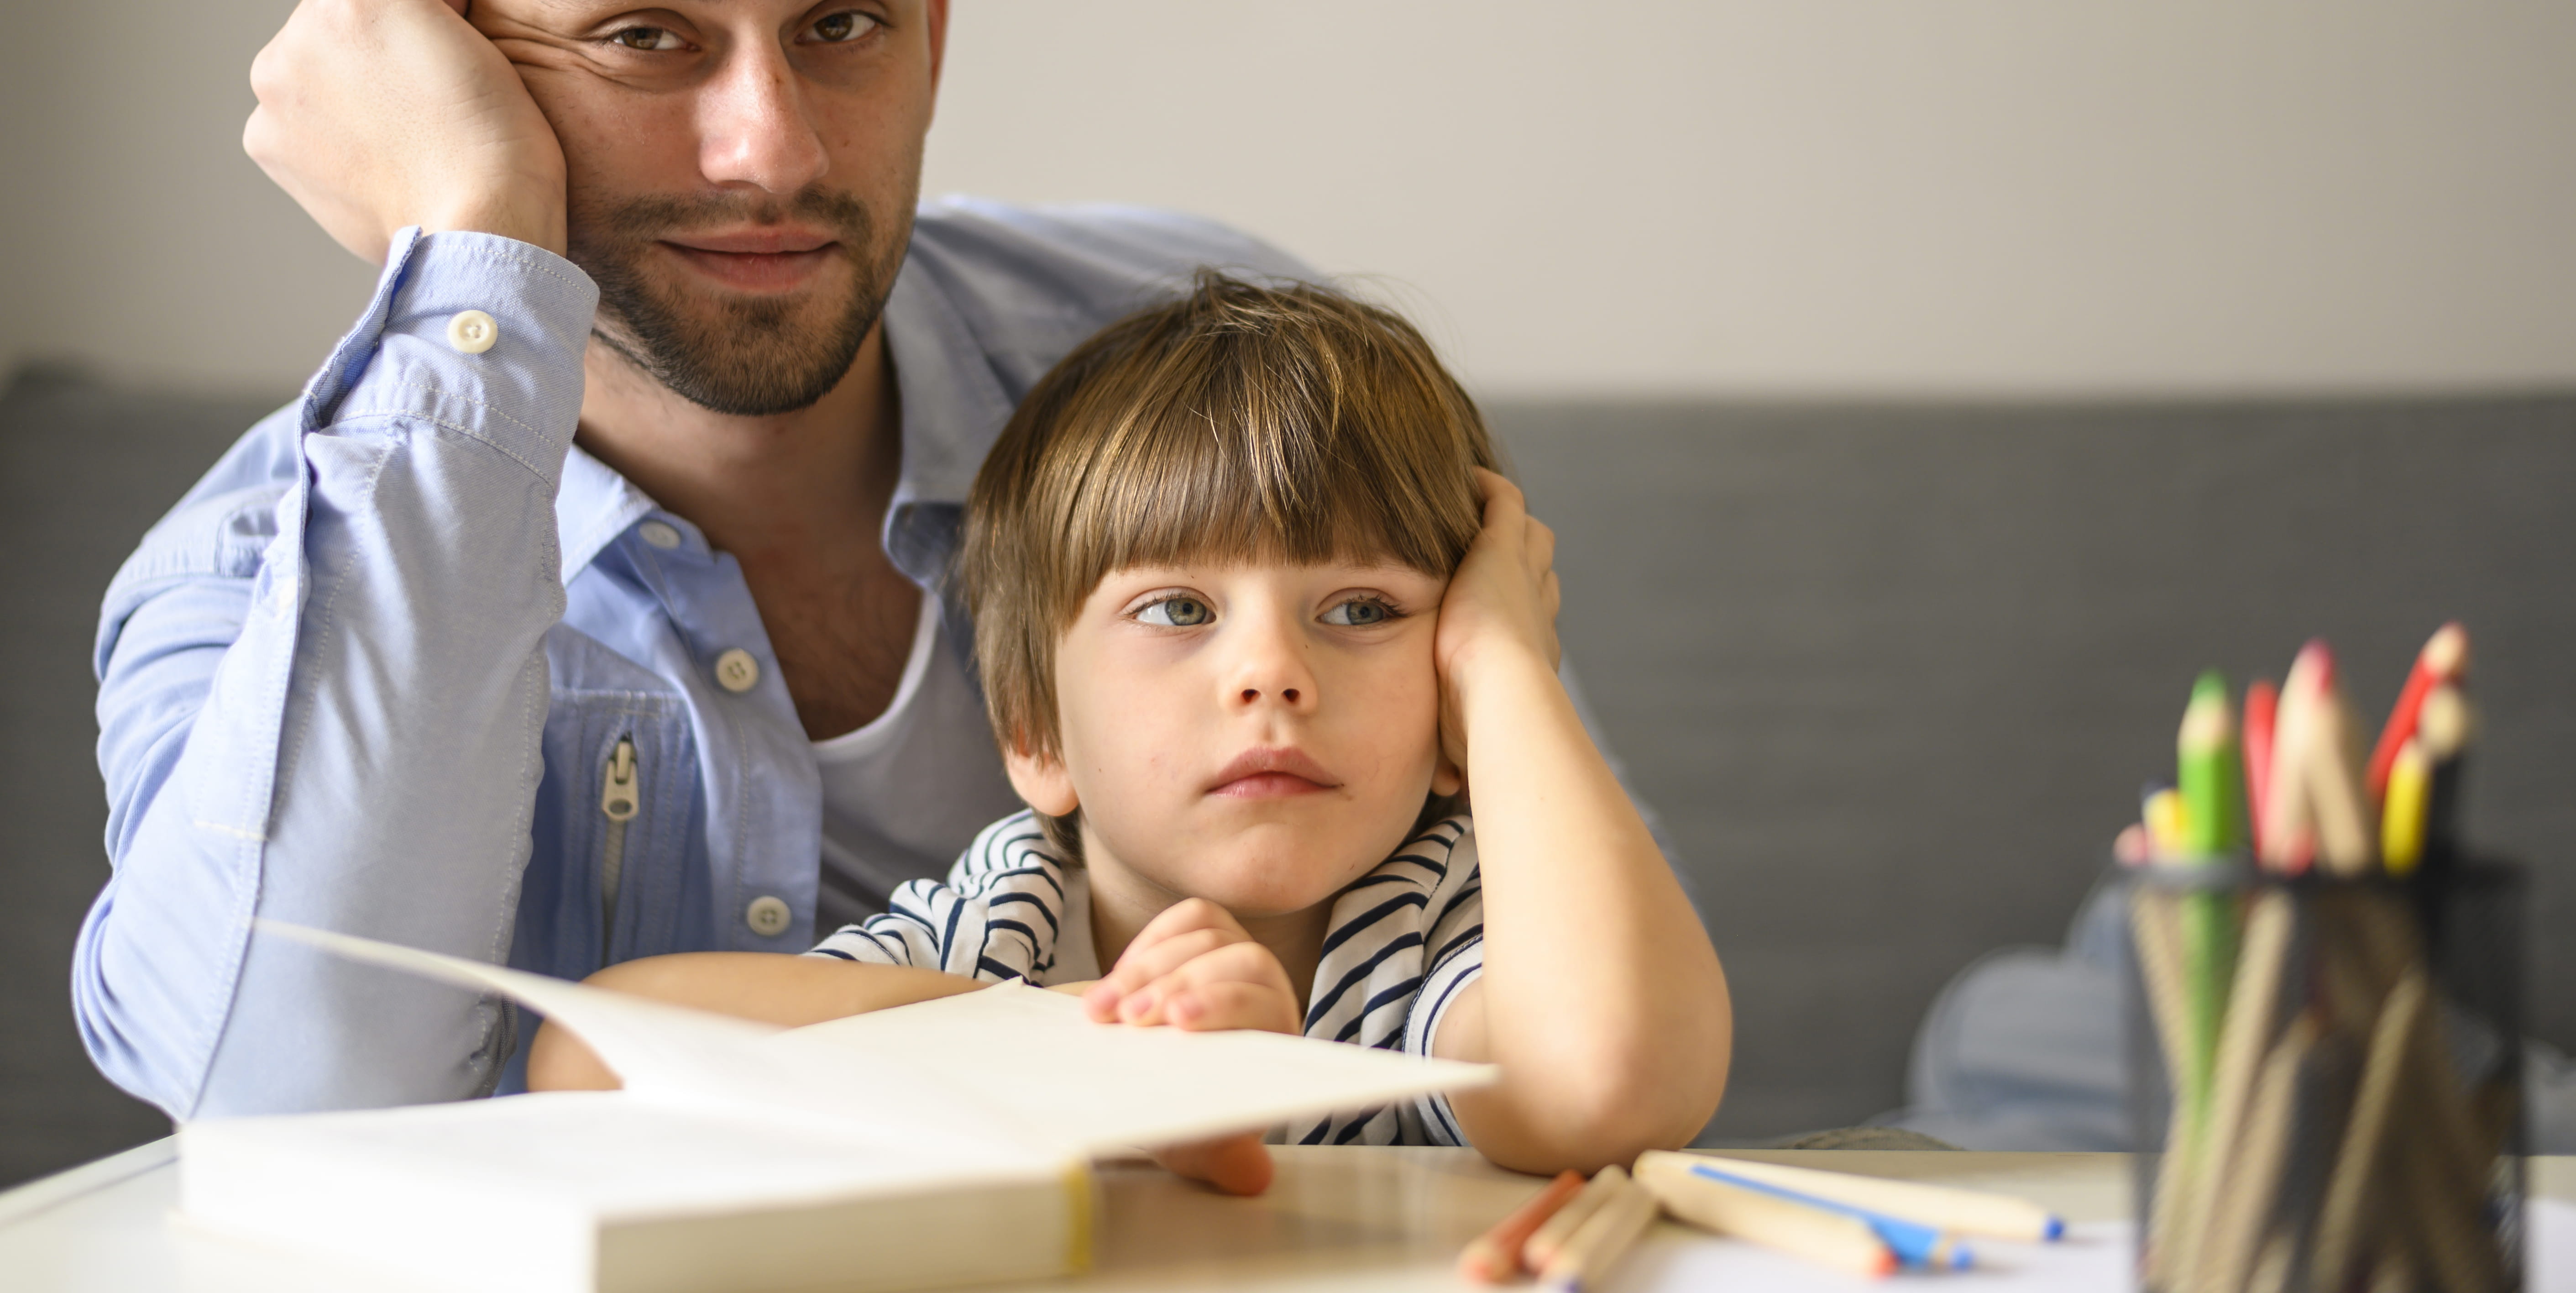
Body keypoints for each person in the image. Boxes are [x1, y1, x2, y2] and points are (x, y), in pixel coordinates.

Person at [76, 0, 1667, 1122]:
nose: (768, 148)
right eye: (645, 35)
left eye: (841, 22)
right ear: (453, 52)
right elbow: (278, 1097)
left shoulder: (1203, 378)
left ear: (932, 18)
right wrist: (469, 260)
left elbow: (1557, 961)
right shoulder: (248, 581)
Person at [527, 276, 1732, 1188]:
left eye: (1361, 610)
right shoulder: (1012, 926)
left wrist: (1505, 666)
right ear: (1035, 732)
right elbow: (591, 1061)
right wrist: (1088, 1045)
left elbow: (1611, 1086)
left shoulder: (1439, 928)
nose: (1271, 673)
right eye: (1177, 611)